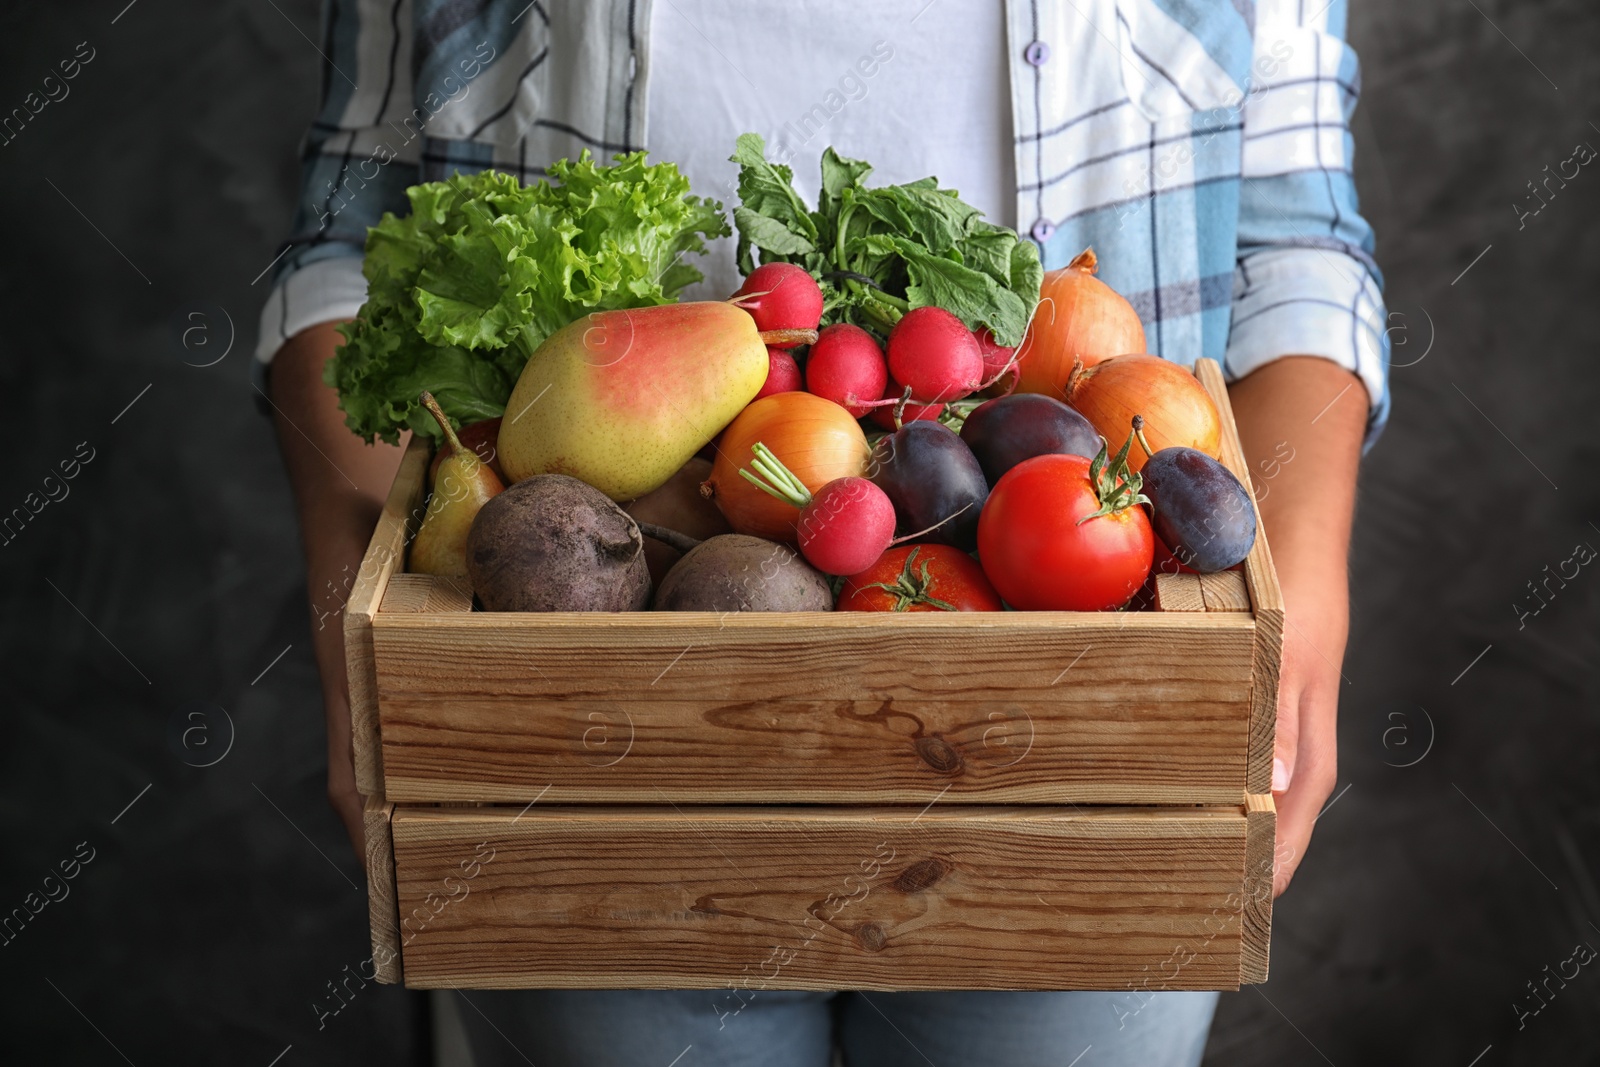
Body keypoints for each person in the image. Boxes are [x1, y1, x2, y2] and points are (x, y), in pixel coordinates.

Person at [261, 2, 1387, 1064]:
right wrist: (357, 621)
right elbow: (348, 224)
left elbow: (1294, 245)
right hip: (582, 722)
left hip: (1093, 721)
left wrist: (1302, 607)